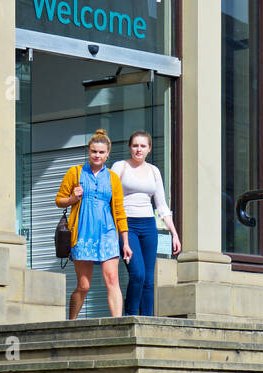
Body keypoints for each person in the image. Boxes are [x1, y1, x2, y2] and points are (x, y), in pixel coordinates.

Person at [55, 129, 132, 319]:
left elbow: (120, 212)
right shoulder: (75, 172)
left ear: (107, 154)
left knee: (112, 279)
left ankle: (118, 324)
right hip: (83, 232)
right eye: (94, 151)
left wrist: (126, 242)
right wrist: (73, 198)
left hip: (107, 232)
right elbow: (59, 200)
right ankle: (71, 323)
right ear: (88, 152)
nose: (97, 155)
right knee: (84, 285)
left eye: (101, 152)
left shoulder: (113, 178)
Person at [111, 130, 180, 316]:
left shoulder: (154, 171)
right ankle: (131, 316)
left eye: (143, 146)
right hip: (127, 226)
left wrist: (174, 234)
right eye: (135, 146)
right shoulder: (120, 167)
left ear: (149, 148)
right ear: (129, 148)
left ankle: (149, 320)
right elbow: (109, 196)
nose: (138, 150)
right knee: (137, 274)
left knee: (149, 280)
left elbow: (162, 206)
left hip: (149, 225)